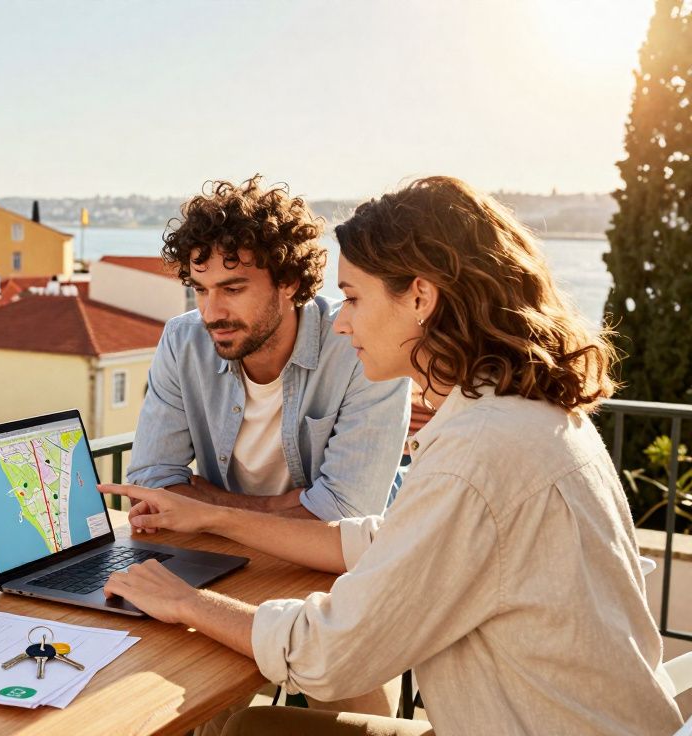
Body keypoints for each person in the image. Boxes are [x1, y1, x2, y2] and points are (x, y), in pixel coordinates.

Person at [101, 176, 684, 735]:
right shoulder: (525, 415)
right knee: (249, 721)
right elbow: (376, 538)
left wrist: (185, 601)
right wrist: (217, 517)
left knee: (249, 727)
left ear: (420, 298)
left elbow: (330, 652)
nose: (343, 321)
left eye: (353, 297)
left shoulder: (479, 453)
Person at [128, 176, 410, 523]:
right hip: (228, 556)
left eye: (232, 289)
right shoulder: (182, 341)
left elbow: (347, 514)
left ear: (288, 282)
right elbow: (151, 483)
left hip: (342, 566)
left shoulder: (359, 345)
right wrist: (279, 507)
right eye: (201, 290)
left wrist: (207, 506)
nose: (211, 314)